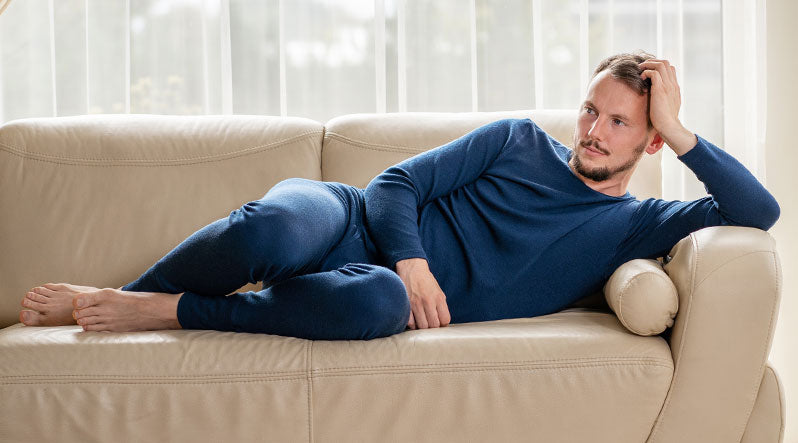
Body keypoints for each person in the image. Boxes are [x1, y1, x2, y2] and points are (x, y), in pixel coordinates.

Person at [17, 52, 780, 340]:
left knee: (379, 306)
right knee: (275, 232)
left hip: (369, 286)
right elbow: (395, 185)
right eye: (590, 109)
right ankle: (120, 299)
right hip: (344, 219)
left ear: (648, 142)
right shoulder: (516, 139)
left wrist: (681, 131)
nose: (593, 129)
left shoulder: (633, 225)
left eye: (620, 122)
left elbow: (759, 213)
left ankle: (169, 309)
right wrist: (416, 261)